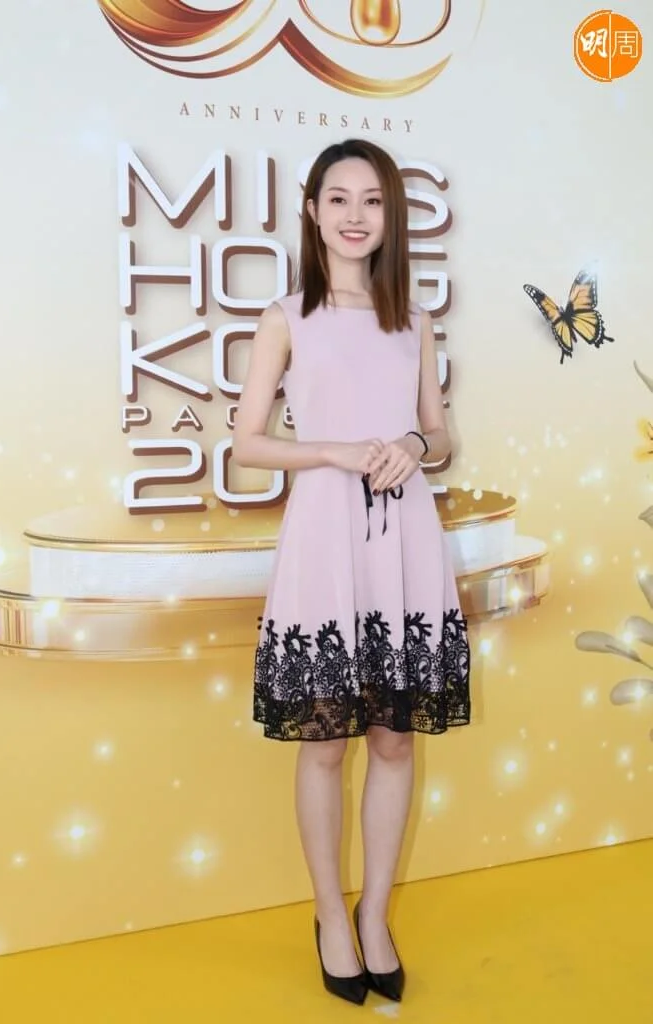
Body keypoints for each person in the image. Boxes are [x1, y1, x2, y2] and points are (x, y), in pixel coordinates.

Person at [233, 138, 471, 1006]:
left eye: (372, 200)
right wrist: (332, 450)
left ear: (390, 214)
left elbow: (441, 435)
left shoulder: (413, 319)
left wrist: (413, 443)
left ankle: (375, 915)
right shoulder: (285, 318)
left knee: (395, 739)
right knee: (326, 743)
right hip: (324, 537)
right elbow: (248, 443)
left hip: (403, 538)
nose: (355, 215)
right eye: (339, 198)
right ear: (312, 211)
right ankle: (330, 914)